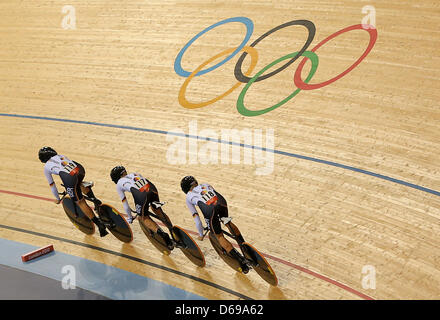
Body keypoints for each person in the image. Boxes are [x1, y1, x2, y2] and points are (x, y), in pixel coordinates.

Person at [180, 176, 249, 273]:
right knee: (227, 222)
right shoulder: (205, 184)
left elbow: (197, 220)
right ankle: (245, 247)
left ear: (185, 189)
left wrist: (200, 234)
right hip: (221, 202)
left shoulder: (188, 197)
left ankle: (241, 259)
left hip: (210, 210)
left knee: (219, 235)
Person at [38, 146, 108, 237]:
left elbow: (52, 185)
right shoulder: (60, 156)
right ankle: (94, 200)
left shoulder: (46, 167)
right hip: (80, 169)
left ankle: (100, 225)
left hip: (69, 178)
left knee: (80, 202)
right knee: (77, 183)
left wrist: (57, 198)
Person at [110, 166, 174, 249]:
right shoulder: (134, 173)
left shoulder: (119, 184)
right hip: (152, 189)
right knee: (157, 210)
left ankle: (163, 235)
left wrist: (130, 217)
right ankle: (173, 232)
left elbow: (125, 204)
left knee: (143, 217)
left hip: (141, 195)